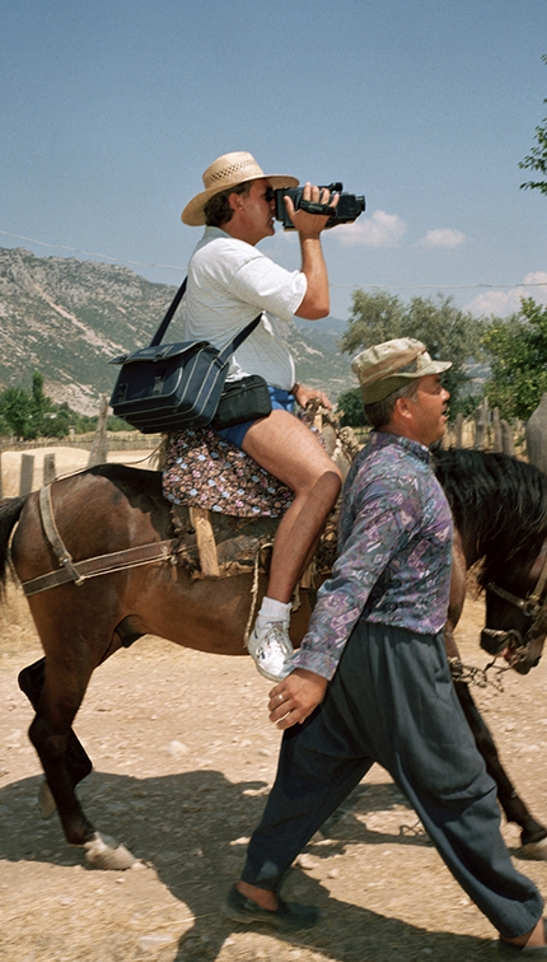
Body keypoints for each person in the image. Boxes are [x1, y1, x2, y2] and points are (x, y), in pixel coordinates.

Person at [221, 338, 547, 962]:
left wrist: (327, 668)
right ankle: (526, 933)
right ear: (403, 405)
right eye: (433, 387)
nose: (445, 394)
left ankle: (254, 887)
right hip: (396, 651)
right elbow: (350, 578)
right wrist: (313, 670)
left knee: (312, 771)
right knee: (462, 790)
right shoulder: (401, 480)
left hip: (362, 655)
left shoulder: (382, 461)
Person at [181, 151, 343, 683]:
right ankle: (270, 623)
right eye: (265, 196)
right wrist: (312, 234)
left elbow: (232, 340)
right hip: (241, 401)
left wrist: (294, 385)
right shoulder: (228, 255)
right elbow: (315, 302)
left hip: (260, 394)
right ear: (235, 202)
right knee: (321, 479)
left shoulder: (226, 255)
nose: (277, 205)